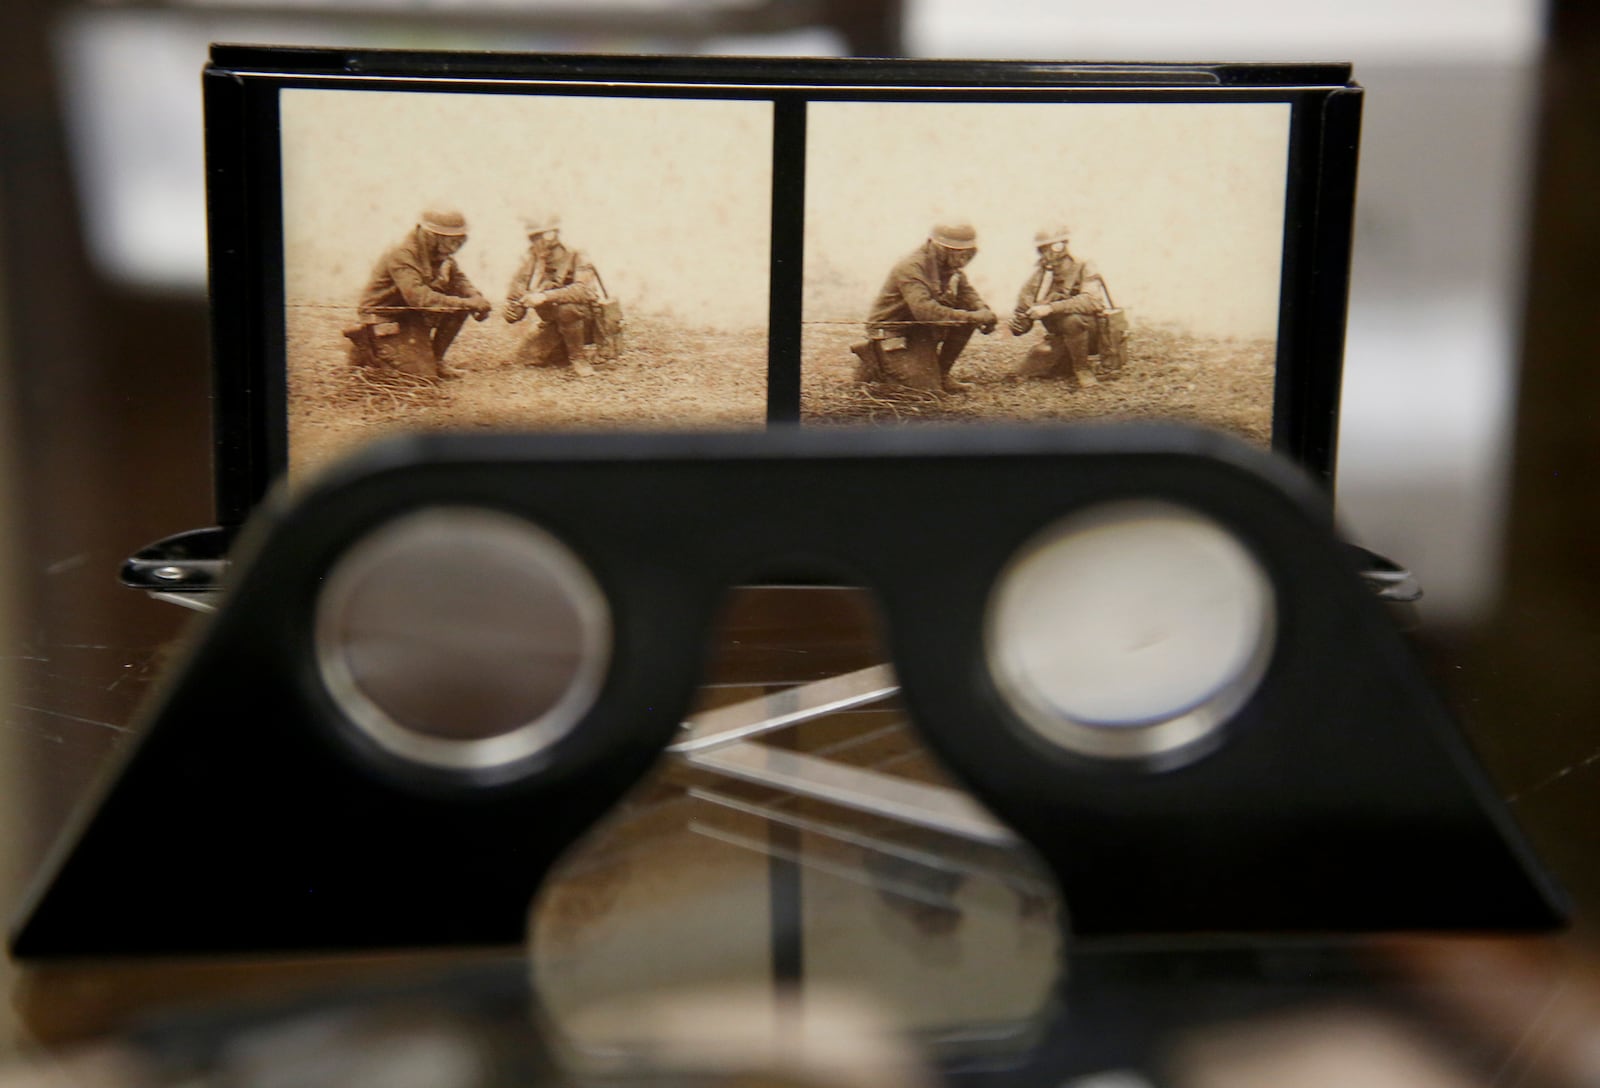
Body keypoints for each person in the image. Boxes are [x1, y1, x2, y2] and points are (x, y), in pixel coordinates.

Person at [344, 208, 493, 380]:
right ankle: (365, 346)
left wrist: (475, 297)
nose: (456, 246)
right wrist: (468, 304)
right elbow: (418, 297)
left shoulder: (437, 252)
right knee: (422, 379)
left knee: (458, 307)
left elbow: (458, 279)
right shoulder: (403, 252)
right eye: (451, 240)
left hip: (411, 315)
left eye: (459, 240)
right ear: (432, 235)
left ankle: (436, 360)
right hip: (386, 318)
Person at [855, 222, 997, 394]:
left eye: (967, 253)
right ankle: (873, 358)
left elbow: (968, 295)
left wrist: (984, 311)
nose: (963, 258)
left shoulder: (950, 268)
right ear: (939, 248)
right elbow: (924, 311)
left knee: (967, 318)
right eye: (957, 252)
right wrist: (975, 317)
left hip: (920, 332)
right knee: (926, 393)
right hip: (893, 333)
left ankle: (941, 374)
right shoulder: (912, 267)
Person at [503, 215, 612, 377]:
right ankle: (563, 349)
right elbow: (516, 292)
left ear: (553, 234)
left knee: (567, 308)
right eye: (533, 237)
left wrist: (545, 296)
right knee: (528, 357)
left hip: (584, 320)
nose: (537, 242)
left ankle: (579, 358)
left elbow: (585, 291)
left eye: (541, 236)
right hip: (554, 322)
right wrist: (513, 309)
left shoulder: (576, 254)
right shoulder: (531, 258)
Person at [1008, 225, 1106, 387]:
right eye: (1042, 249)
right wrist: (1019, 324)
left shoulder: (1084, 265)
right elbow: (1023, 310)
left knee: (1072, 320)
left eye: (1053, 247)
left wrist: (1050, 308)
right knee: (1024, 370)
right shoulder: (1040, 275)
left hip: (1091, 334)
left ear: (1063, 246)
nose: (1048, 254)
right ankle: (1066, 363)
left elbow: (1092, 301)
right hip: (1060, 337)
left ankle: (1082, 369)